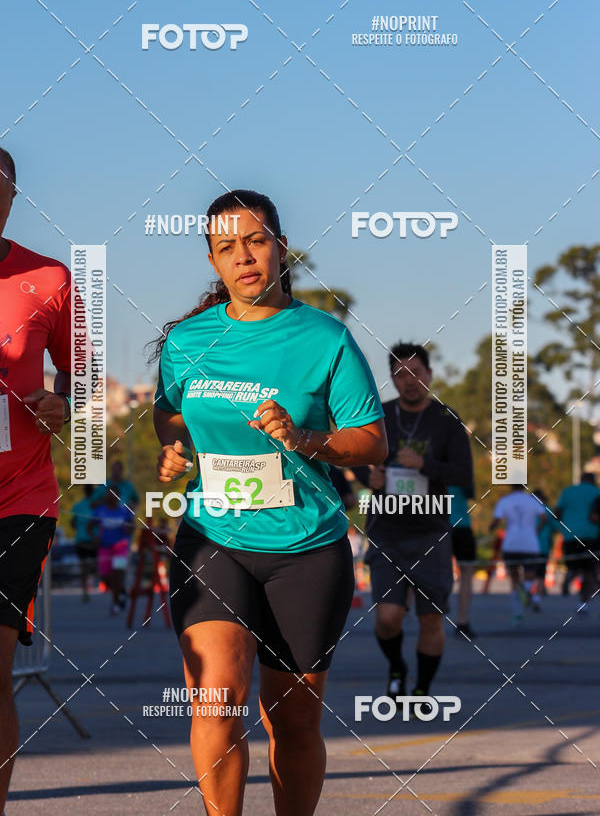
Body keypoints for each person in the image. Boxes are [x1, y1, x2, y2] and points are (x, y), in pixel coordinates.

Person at [150, 189, 386, 815]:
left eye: (256, 241)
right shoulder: (188, 340)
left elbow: (371, 441)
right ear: (212, 260)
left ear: (280, 245)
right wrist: (174, 448)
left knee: (295, 722)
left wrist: (305, 438)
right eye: (227, 247)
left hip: (306, 548)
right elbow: (168, 413)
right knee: (216, 700)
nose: (244, 257)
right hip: (213, 538)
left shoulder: (323, 337)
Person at [0, 147, 72, 811]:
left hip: (18, 499)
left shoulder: (48, 277)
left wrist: (63, 406)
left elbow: (80, 387)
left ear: (13, 195)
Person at [355, 343, 473, 711]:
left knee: (430, 620)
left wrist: (425, 464)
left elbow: (465, 476)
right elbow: (358, 456)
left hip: (431, 532)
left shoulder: (446, 420)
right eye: (400, 374)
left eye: (416, 373)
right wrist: (366, 475)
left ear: (430, 375)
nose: (409, 381)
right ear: (392, 378)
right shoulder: (379, 415)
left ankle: (422, 689)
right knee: (388, 619)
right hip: (386, 531)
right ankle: (396, 667)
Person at [490, 485, 546, 622]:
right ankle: (526, 589)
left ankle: (518, 612)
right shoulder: (533, 501)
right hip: (530, 544)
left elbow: (496, 520)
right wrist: (536, 531)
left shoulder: (505, 500)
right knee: (530, 575)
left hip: (511, 544)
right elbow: (544, 518)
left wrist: (491, 527)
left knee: (514, 579)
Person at [553, 473, 600, 615]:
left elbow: (557, 511)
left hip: (570, 535)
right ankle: (583, 603)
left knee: (573, 563)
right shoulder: (597, 492)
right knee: (589, 570)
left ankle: (571, 574)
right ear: (593, 481)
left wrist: (562, 526)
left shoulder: (567, 491)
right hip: (592, 535)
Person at [91, 487, 134, 615]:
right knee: (105, 578)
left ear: (118, 496)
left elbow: (131, 527)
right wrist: (94, 538)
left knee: (117, 576)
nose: (111, 497)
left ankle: (115, 605)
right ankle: (123, 592)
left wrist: (128, 530)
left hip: (120, 548)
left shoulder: (124, 511)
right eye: (109, 494)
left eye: (114, 494)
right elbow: (90, 526)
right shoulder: (100, 511)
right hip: (104, 548)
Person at [449, 484, 478, 639]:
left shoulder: (427, 462)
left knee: (434, 571)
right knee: (466, 573)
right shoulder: (462, 466)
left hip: (438, 522)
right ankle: (462, 621)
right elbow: (470, 492)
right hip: (461, 525)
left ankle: (432, 617)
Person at [71, 484, 98, 601]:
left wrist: (79, 526)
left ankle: (85, 590)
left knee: (85, 566)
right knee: (90, 565)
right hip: (92, 540)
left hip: (83, 539)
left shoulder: (78, 506)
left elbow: (73, 523)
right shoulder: (96, 505)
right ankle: (86, 590)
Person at [532, 488, 555, 597]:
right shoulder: (547, 509)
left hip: (528, 546)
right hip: (543, 545)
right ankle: (537, 598)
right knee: (541, 573)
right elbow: (555, 527)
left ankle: (527, 592)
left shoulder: (528, 509)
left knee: (528, 571)